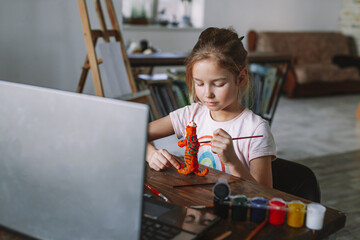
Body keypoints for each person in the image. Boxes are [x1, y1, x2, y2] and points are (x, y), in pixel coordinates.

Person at [146, 27, 276, 188]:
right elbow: (137, 134)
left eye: (218, 84)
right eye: (199, 83)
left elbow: (265, 195)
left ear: (241, 78)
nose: (207, 93)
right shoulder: (191, 115)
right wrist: (151, 154)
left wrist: (233, 162)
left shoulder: (256, 129)